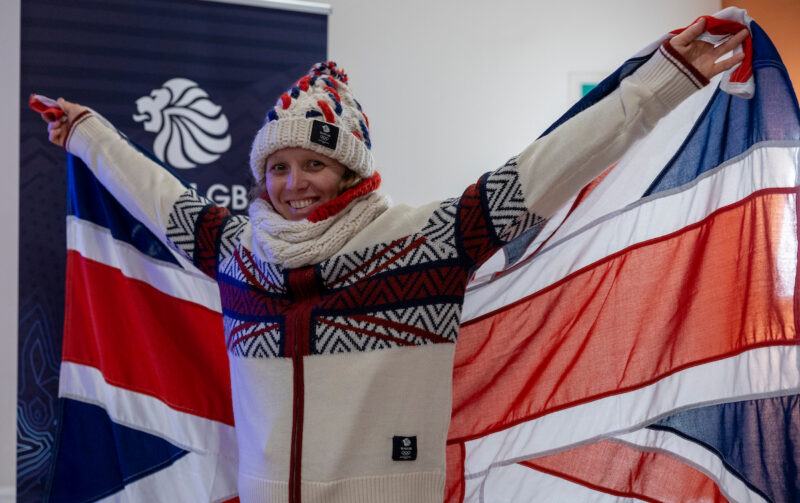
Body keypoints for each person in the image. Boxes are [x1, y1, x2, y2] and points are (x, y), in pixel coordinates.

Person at [44, 18, 748, 503]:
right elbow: (155, 193)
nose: (293, 183)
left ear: (349, 171)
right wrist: (85, 132)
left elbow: (549, 167)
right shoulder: (237, 252)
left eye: (314, 162)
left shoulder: (428, 241)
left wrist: (670, 77)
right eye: (280, 165)